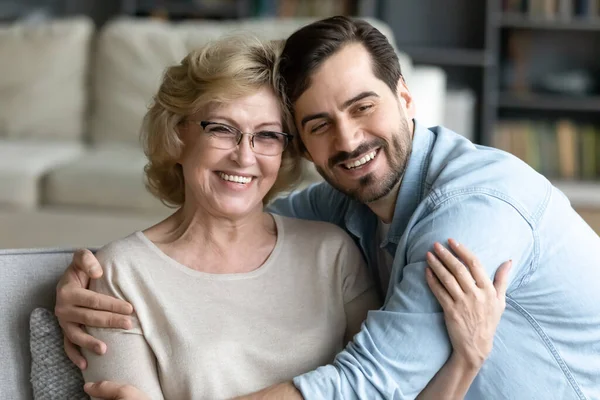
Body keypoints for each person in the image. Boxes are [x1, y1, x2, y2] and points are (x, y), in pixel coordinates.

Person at [56, 14, 600, 399]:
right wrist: (80, 275)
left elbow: (373, 383)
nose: (348, 140)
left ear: (406, 97)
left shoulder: (470, 213)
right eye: (318, 124)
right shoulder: (344, 207)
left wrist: (465, 360)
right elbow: (227, 221)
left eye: (363, 106)